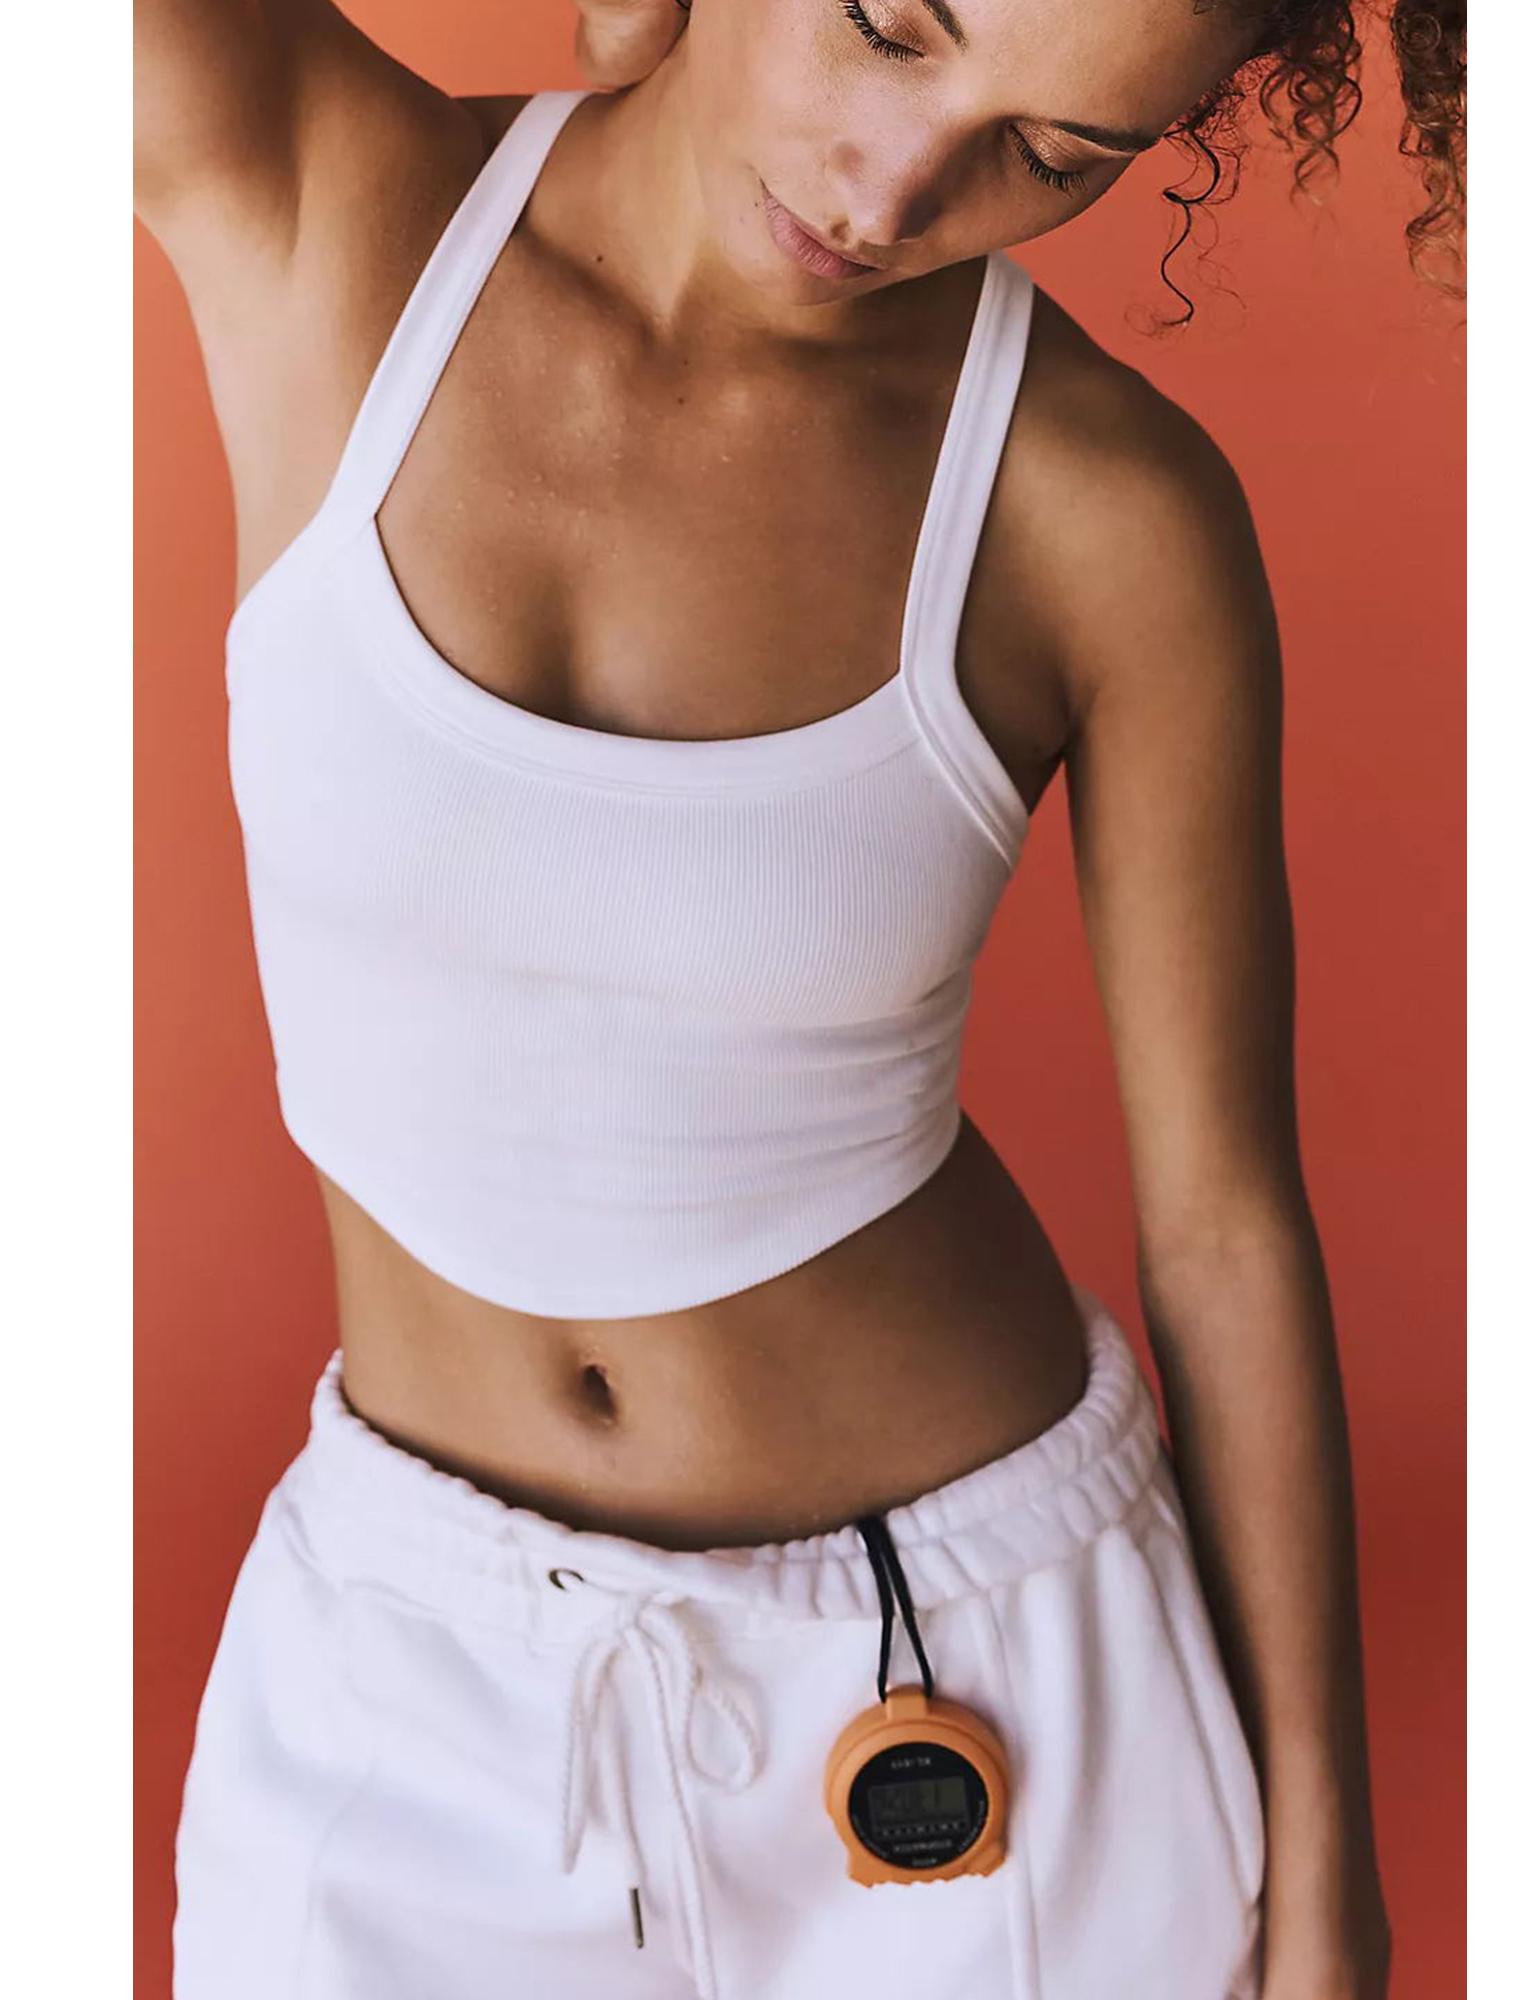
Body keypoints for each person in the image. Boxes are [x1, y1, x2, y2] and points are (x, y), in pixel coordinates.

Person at [136, 2, 1462, 1996]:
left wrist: (1326, 1872)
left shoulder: (1103, 512)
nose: (896, 188)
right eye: (887, 26)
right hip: (406, 1683)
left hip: (985, 1685)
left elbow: (1221, 1230)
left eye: (1059, 152)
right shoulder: (312, 199)